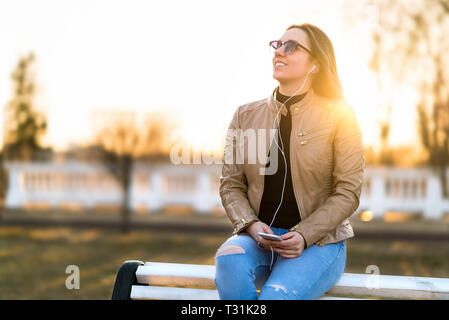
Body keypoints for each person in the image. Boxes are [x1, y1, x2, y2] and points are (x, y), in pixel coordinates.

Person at [214, 23, 365, 300]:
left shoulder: (339, 115)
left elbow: (348, 192)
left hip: (319, 243)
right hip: (259, 239)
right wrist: (250, 224)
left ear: (315, 64)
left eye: (291, 46)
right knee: (228, 259)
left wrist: (304, 235)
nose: (279, 52)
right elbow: (231, 185)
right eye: (277, 45)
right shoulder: (245, 116)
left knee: (275, 296)